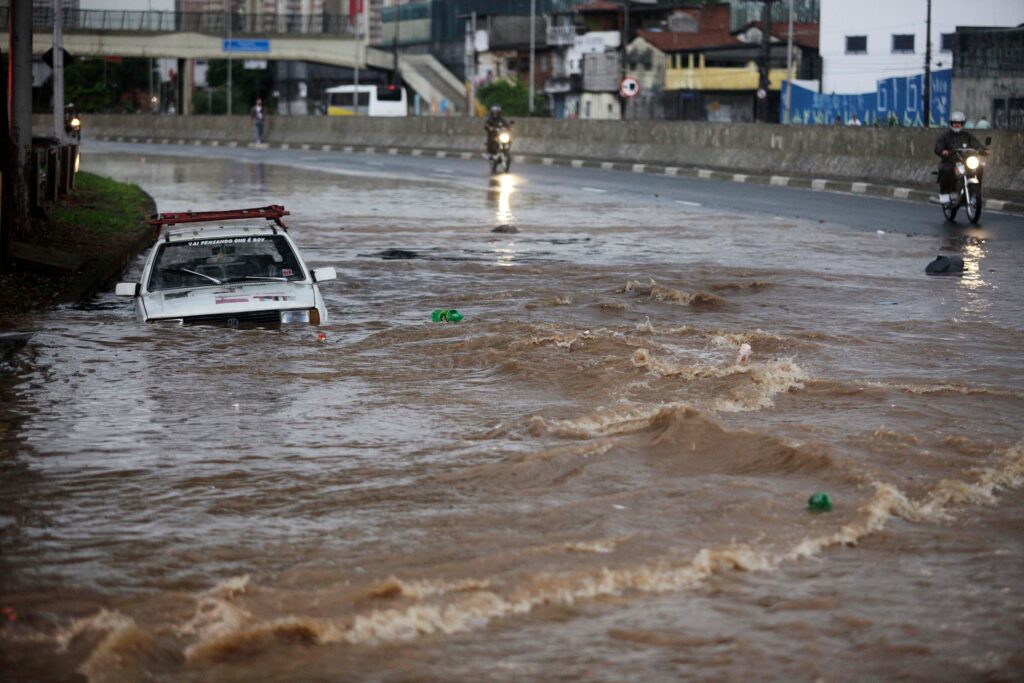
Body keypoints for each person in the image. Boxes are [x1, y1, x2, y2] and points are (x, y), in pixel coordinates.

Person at [935, 110, 985, 204]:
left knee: (979, 166)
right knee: (947, 170)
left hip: (965, 161)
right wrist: (943, 151)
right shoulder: (946, 136)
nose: (957, 125)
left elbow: (976, 144)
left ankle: (975, 190)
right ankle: (945, 194)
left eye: (959, 123)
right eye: (954, 123)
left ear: (963, 124)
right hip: (950, 161)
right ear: (951, 124)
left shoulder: (967, 136)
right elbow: (938, 146)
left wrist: (983, 150)